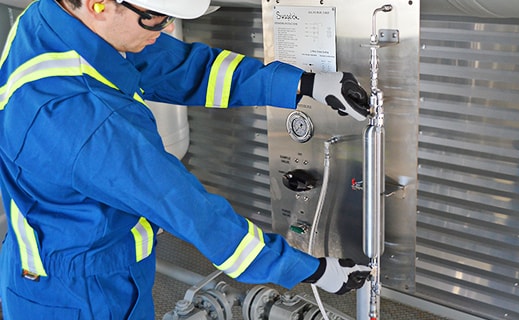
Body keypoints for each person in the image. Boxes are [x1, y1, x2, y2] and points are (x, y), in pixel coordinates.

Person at [0, 0, 372, 319]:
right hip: (81, 294)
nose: (167, 28)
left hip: (59, 257)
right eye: (158, 18)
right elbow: (193, 212)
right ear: (100, 4)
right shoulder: (82, 117)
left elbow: (183, 68)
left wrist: (302, 84)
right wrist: (312, 270)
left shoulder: (54, 22)